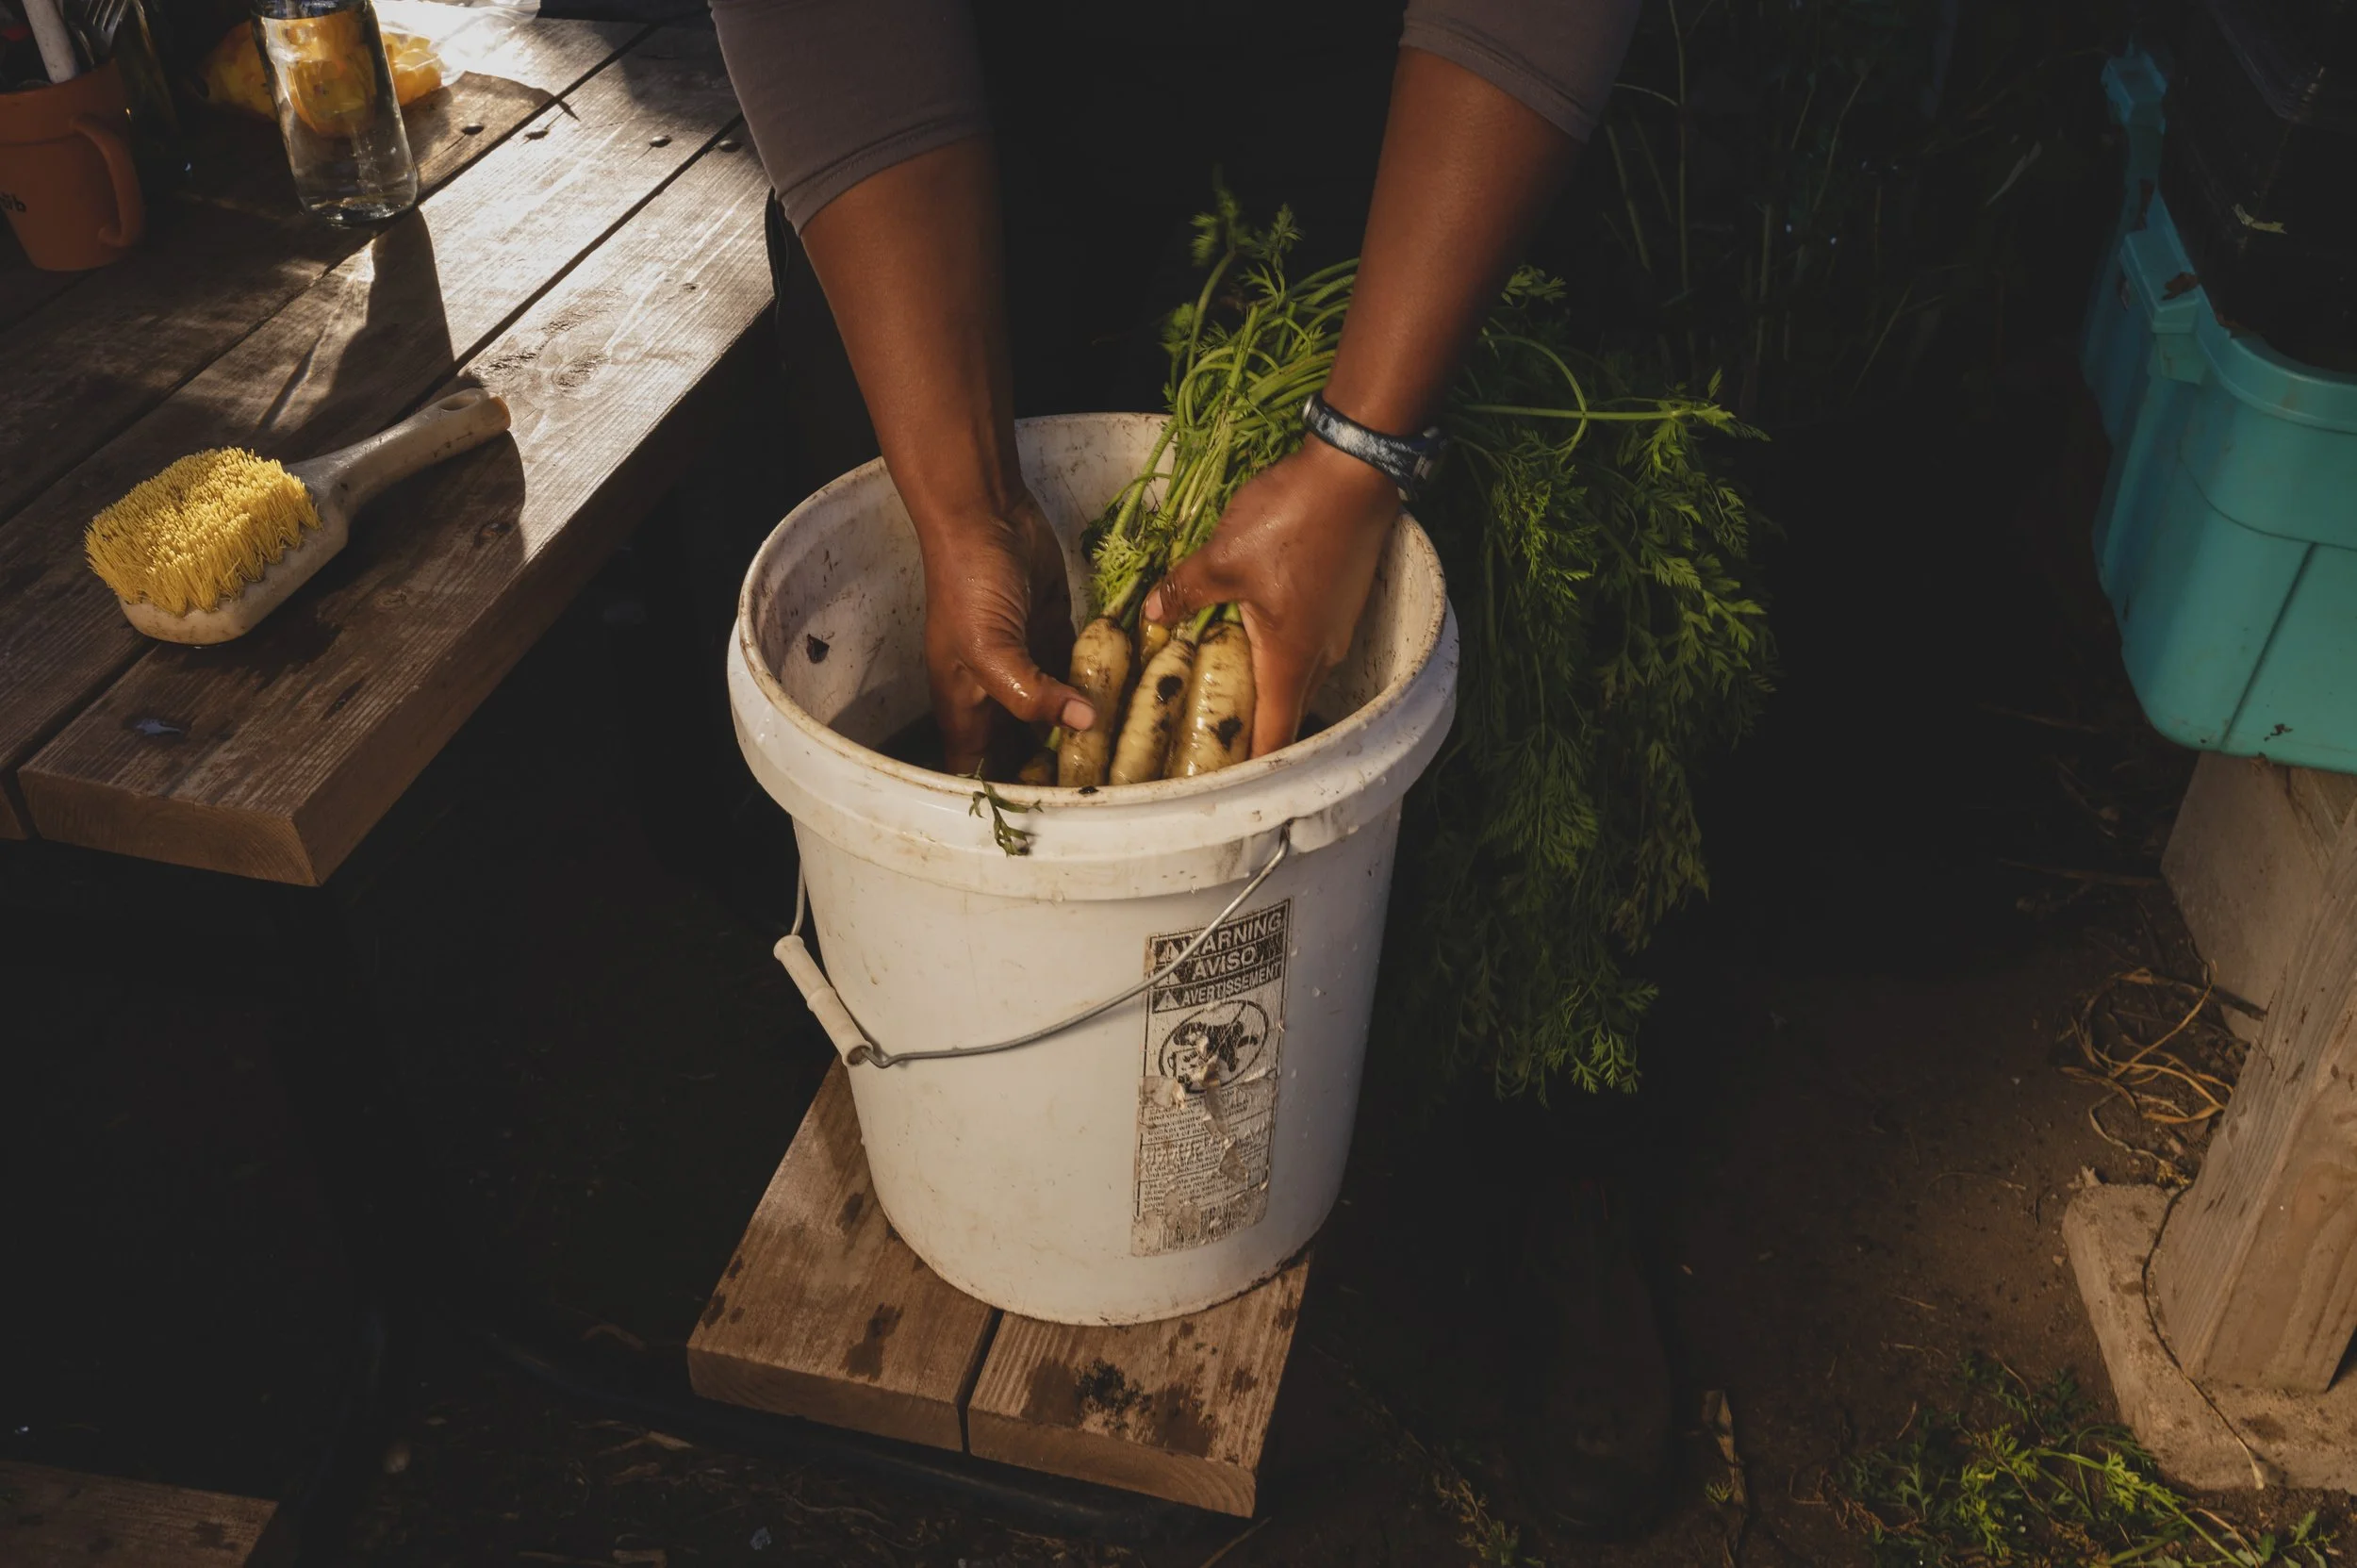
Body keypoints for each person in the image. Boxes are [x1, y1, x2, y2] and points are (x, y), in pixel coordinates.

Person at [711, 0, 1669, 1535]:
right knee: (959, 622)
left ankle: (1545, 1155)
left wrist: (1361, 451)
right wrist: (959, 503)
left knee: (1494, 612)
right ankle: (964, 1097)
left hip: (1384, 76)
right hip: (973, 86)